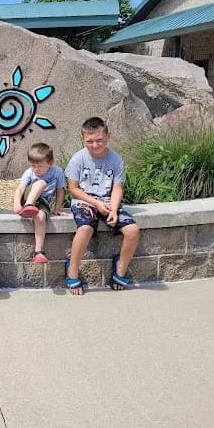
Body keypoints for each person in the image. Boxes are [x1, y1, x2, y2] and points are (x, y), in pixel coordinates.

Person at [64, 117, 140, 295]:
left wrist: (113, 209)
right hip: (85, 201)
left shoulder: (116, 159)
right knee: (85, 229)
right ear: (82, 139)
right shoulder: (78, 159)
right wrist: (95, 203)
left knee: (133, 231)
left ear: (108, 136)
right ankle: (72, 270)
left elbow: (118, 188)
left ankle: (120, 267)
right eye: (89, 141)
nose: (95, 145)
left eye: (99, 140)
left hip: (107, 202)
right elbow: (73, 189)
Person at [13, 142, 67, 264]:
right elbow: (20, 189)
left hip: (43, 204)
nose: (36, 169)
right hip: (28, 198)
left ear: (50, 163)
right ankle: (28, 206)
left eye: (40, 166)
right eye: (33, 165)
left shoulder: (57, 172)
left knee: (40, 216)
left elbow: (60, 191)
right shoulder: (29, 172)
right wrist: (17, 204)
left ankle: (38, 252)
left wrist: (57, 208)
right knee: (41, 183)